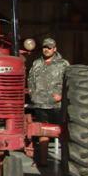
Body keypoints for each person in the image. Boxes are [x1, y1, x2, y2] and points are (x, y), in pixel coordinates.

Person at [28, 36, 70, 168]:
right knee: (43, 133)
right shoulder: (36, 63)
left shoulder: (63, 64)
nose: (46, 50)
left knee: (62, 133)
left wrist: (62, 96)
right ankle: (43, 160)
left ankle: (65, 161)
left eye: (49, 47)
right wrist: (32, 93)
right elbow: (30, 80)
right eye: (45, 47)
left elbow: (70, 82)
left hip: (57, 105)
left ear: (55, 49)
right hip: (40, 104)